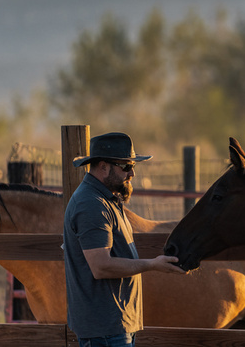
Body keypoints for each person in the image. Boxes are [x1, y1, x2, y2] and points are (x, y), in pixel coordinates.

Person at [63, 132, 185, 346]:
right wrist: (152, 264)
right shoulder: (91, 205)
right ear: (103, 166)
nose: (132, 173)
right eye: (126, 167)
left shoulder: (104, 199)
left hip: (112, 326)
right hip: (106, 330)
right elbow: (101, 266)